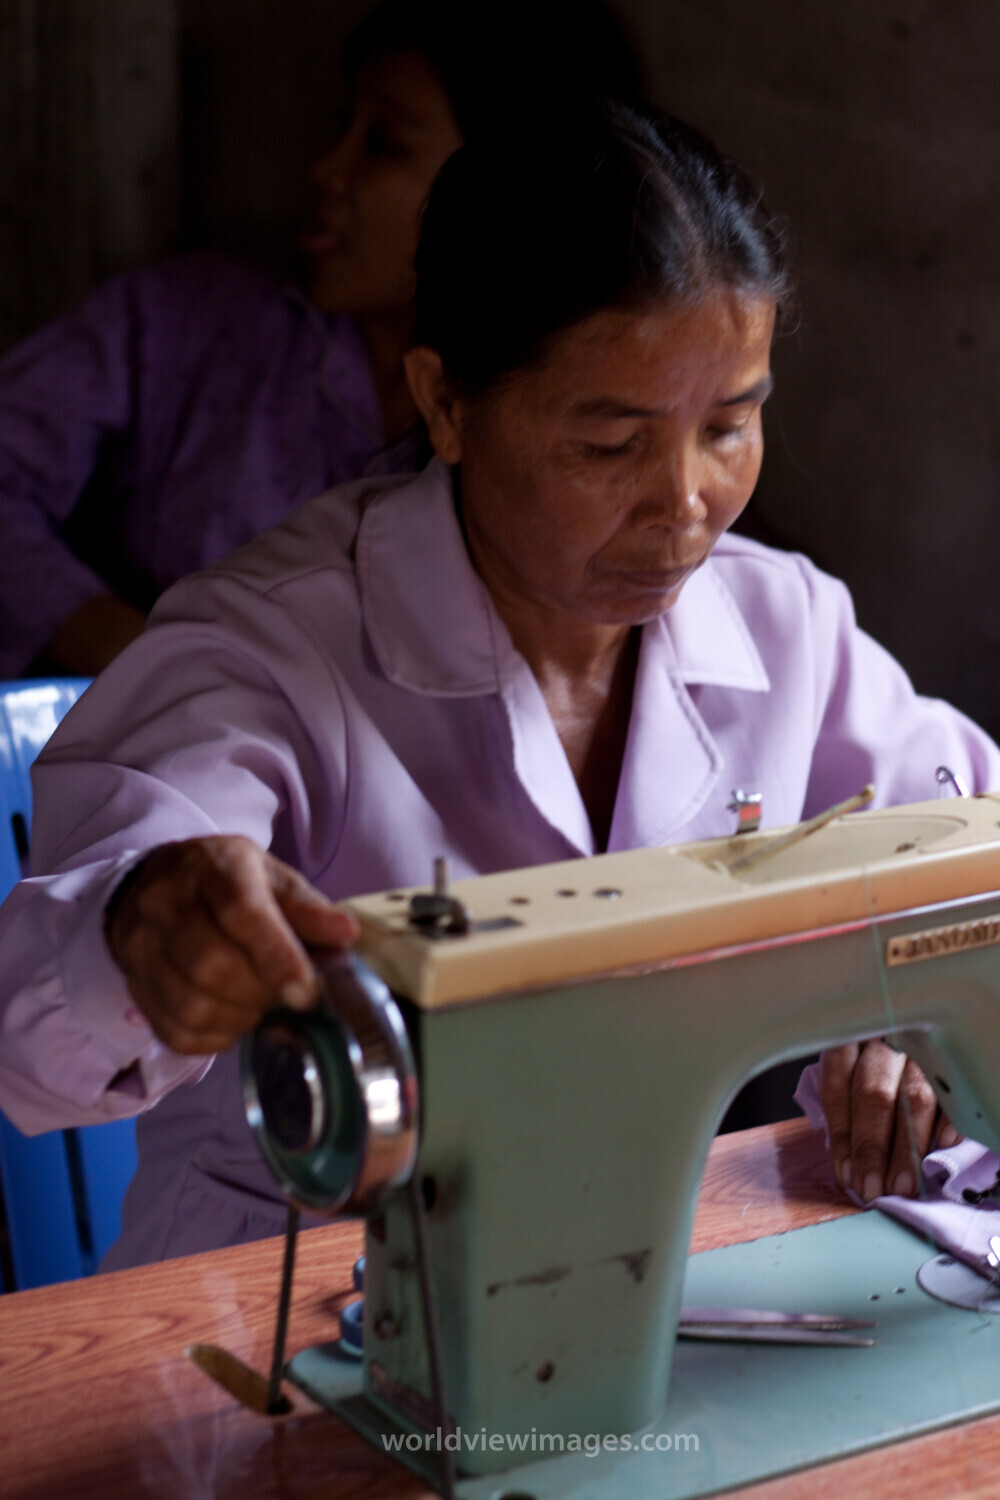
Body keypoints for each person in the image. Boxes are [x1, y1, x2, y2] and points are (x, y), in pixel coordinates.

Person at [0, 98, 992, 1268]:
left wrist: (910, 1035)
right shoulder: (266, 652)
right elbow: (36, 1013)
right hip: (269, 1328)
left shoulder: (787, 629)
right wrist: (145, 929)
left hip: (647, 1287)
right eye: (608, 445)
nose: (682, 504)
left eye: (728, 425)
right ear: (445, 403)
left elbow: (969, 863)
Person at [0, 0, 642, 680]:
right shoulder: (187, 325)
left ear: (510, 195)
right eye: (343, 126)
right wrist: (120, 646)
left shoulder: (572, 433)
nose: (325, 169)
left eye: (383, 143)